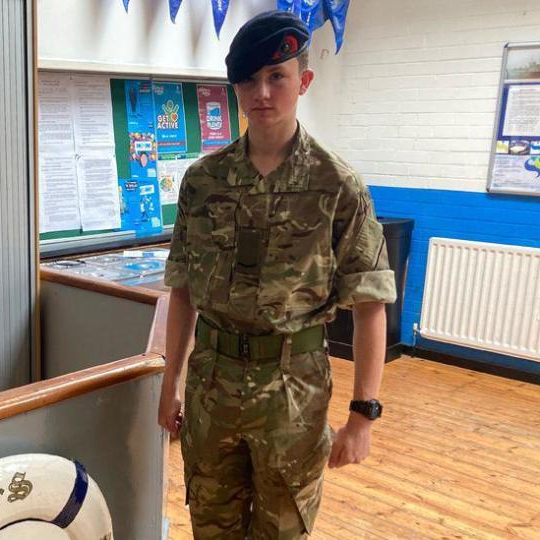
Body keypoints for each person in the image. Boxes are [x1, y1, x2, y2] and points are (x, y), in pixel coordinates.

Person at [157, 10, 396, 539]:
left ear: (303, 81)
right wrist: (170, 383)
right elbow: (182, 294)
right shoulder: (202, 182)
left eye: (277, 77)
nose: (261, 93)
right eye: (248, 81)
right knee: (211, 526)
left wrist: (362, 416)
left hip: (293, 390)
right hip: (211, 386)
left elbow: (371, 304)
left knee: (283, 530)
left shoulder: (337, 185)